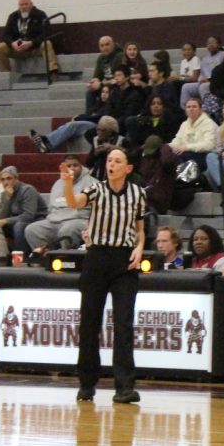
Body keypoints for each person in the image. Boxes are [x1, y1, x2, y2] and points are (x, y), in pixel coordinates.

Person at [60, 147, 147, 403]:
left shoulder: (138, 194)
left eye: (118, 161)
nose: (112, 164)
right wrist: (67, 184)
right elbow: (74, 202)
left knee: (123, 325)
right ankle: (87, 383)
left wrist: (140, 248)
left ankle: (124, 387)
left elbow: (139, 230)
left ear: (128, 168)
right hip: (97, 258)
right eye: (109, 160)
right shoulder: (96, 189)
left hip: (124, 262)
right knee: (90, 323)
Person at [24, 155, 96, 255]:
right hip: (55, 221)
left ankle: (66, 258)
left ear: (81, 166)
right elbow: (51, 207)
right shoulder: (57, 183)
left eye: (75, 165)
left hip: (78, 220)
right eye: (69, 166)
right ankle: (45, 256)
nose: (72, 168)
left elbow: (89, 210)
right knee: (32, 230)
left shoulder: (92, 182)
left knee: (67, 230)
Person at [0, 0, 59, 77]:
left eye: (26, 4)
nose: (23, 7)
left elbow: (47, 33)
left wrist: (31, 43)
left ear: (31, 4)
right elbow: (6, 35)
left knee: (47, 43)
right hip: (18, 49)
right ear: (18, 6)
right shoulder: (13, 16)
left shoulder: (40, 15)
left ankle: (53, 71)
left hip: (35, 48)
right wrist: (12, 43)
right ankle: (5, 75)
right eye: (21, 4)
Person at [0, 166, 48, 256]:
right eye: (3, 180)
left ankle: (21, 257)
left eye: (9, 178)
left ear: (16, 179)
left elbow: (28, 215)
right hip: (18, 219)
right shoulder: (4, 194)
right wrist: (7, 199)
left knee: (19, 226)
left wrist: (6, 221)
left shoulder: (27, 190)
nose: (6, 182)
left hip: (38, 219)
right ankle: (2, 256)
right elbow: (2, 217)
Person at [169, 97, 218, 170]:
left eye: (194, 107)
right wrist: (168, 147)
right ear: (185, 110)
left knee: (180, 157)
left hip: (206, 156)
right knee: (167, 155)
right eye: (188, 107)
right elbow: (178, 139)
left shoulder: (209, 123)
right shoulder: (184, 124)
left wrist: (187, 147)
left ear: (201, 110)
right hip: (188, 154)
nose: (191, 109)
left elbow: (209, 145)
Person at [136, 135, 179, 216]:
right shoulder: (146, 160)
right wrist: (140, 150)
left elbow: (167, 162)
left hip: (157, 205)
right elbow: (130, 160)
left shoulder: (168, 161)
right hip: (143, 200)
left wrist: (165, 148)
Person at [84, 36, 123, 112]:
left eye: (107, 44)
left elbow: (119, 78)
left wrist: (101, 84)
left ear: (113, 45)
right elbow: (97, 76)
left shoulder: (120, 56)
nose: (105, 48)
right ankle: (89, 116)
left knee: (111, 91)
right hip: (108, 86)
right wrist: (93, 83)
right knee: (90, 92)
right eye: (102, 46)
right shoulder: (101, 58)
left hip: (119, 86)